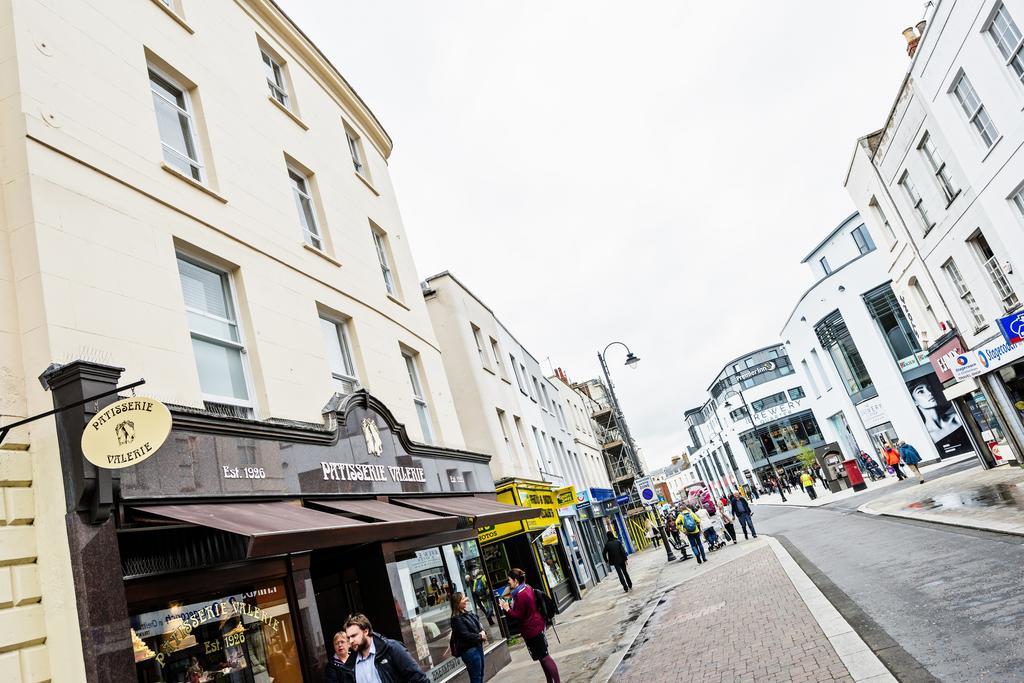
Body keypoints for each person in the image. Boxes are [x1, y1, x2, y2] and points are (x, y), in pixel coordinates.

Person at [499, 568, 560, 683]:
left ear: (516, 580)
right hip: (536, 625)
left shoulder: (521, 595)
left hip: (532, 629)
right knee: (542, 657)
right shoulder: (526, 587)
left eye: (509, 580)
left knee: (545, 657)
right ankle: (549, 681)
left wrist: (507, 608)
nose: (509, 582)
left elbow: (518, 615)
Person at [344, 613, 429, 683]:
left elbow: (418, 678)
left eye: (354, 636)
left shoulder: (391, 648)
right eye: (348, 638)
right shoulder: (350, 665)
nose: (351, 641)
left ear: (366, 631)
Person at [450, 592, 487, 683]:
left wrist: (482, 632)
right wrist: (480, 636)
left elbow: (477, 625)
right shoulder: (456, 619)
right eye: (463, 599)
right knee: (476, 678)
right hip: (469, 651)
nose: (466, 599)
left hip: (477, 647)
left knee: (480, 674)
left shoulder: (467, 613)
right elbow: (465, 635)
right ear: (457, 603)